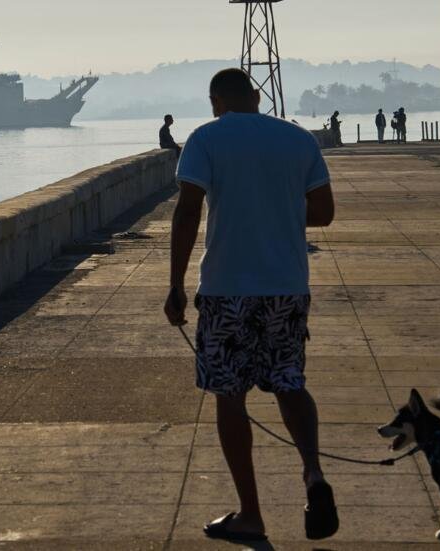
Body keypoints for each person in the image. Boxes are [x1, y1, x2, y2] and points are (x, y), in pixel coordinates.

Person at [165, 68, 338, 543]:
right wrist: (277, 209)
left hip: (226, 289)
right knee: (289, 383)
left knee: (230, 395)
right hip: (287, 285)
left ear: (216, 100)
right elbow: (323, 213)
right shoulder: (298, 139)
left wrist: (176, 284)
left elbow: (187, 211)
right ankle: (313, 473)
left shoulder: (205, 139)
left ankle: (252, 514)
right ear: (258, 97)